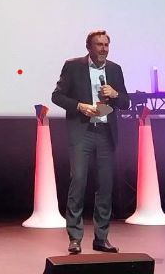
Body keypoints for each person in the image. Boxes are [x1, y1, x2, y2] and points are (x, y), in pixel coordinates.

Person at [51, 30, 130, 255]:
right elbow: (57, 96)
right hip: (82, 132)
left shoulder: (115, 69)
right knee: (78, 182)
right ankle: (75, 238)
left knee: (105, 186)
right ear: (89, 47)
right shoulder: (73, 66)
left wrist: (115, 94)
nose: (103, 49)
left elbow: (125, 102)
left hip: (106, 133)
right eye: (99, 45)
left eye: (106, 45)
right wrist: (79, 106)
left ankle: (101, 238)